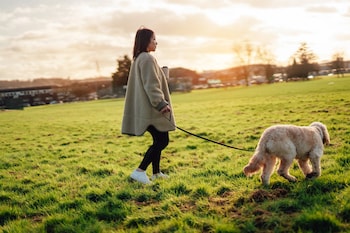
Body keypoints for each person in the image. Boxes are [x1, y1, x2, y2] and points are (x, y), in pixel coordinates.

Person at [122, 27, 176, 184]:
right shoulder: (147, 59)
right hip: (152, 109)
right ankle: (139, 171)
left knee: (158, 140)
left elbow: (152, 80)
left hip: (147, 108)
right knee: (162, 141)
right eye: (153, 39)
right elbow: (151, 85)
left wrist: (162, 74)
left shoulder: (140, 58)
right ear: (146, 41)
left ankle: (156, 173)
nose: (156, 42)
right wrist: (161, 104)